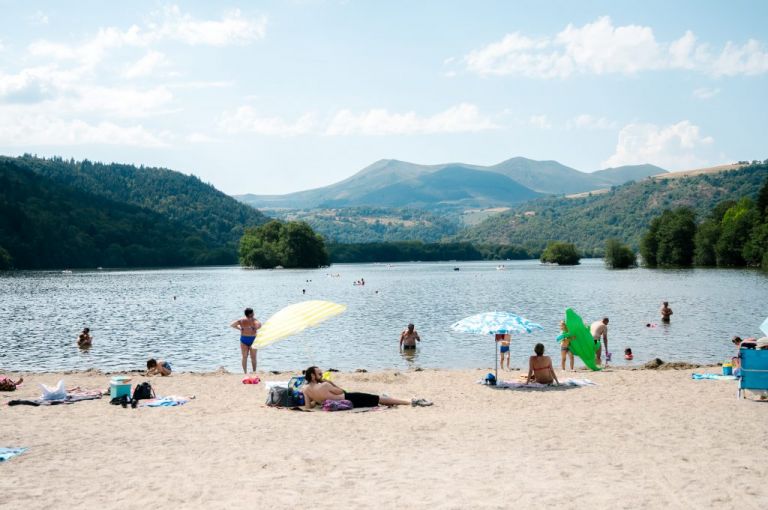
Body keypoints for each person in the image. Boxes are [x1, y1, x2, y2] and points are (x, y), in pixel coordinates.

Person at [301, 366, 432, 408]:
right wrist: (330, 383)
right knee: (377, 398)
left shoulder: (305, 389)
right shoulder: (324, 384)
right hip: (348, 399)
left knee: (376, 399)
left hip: (339, 403)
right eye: (319, 373)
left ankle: (393, 400)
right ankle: (409, 401)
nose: (321, 374)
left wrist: (317, 400)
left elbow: (308, 406)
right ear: (313, 376)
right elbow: (341, 391)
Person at [230, 308, 262, 374]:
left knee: (244, 357)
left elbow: (232, 325)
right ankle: (254, 371)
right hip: (253, 339)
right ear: (250, 314)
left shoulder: (241, 320)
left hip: (244, 339)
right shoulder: (254, 320)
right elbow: (259, 325)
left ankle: (245, 373)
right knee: (253, 357)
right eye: (253, 313)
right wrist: (254, 327)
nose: (254, 314)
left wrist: (240, 329)